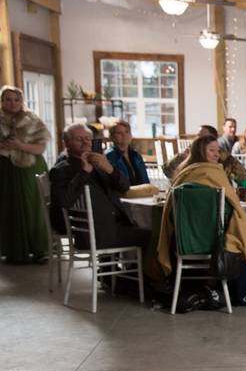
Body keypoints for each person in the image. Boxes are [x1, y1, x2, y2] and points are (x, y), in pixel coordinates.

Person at [156, 134, 246, 298]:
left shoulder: (182, 174)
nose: (217, 155)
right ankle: (231, 288)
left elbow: (171, 214)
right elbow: (235, 209)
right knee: (242, 222)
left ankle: (185, 286)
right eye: (212, 151)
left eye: (218, 150)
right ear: (201, 152)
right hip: (216, 242)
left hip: (183, 241)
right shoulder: (216, 174)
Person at [49, 123, 150, 252]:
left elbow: (125, 187)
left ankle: (116, 269)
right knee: (151, 236)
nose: (85, 142)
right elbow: (64, 201)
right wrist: (84, 172)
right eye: (79, 139)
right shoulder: (62, 169)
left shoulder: (98, 162)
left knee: (141, 229)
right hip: (93, 234)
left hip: (110, 226)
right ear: (67, 144)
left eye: (87, 138)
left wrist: (110, 169)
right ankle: (136, 272)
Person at [0, 85, 50, 263]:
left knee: (34, 206)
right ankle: (13, 251)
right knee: (9, 206)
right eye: (8, 99)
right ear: (2, 101)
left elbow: (41, 147)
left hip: (31, 167)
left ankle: (39, 249)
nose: (12, 103)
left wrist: (19, 146)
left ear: (22, 101)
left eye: (16, 99)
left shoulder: (32, 119)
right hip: (5, 169)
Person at [106, 121, 149, 186]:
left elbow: (145, 180)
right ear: (112, 137)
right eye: (119, 133)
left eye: (127, 132)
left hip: (141, 193)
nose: (124, 135)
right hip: (122, 194)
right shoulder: (109, 156)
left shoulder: (136, 155)